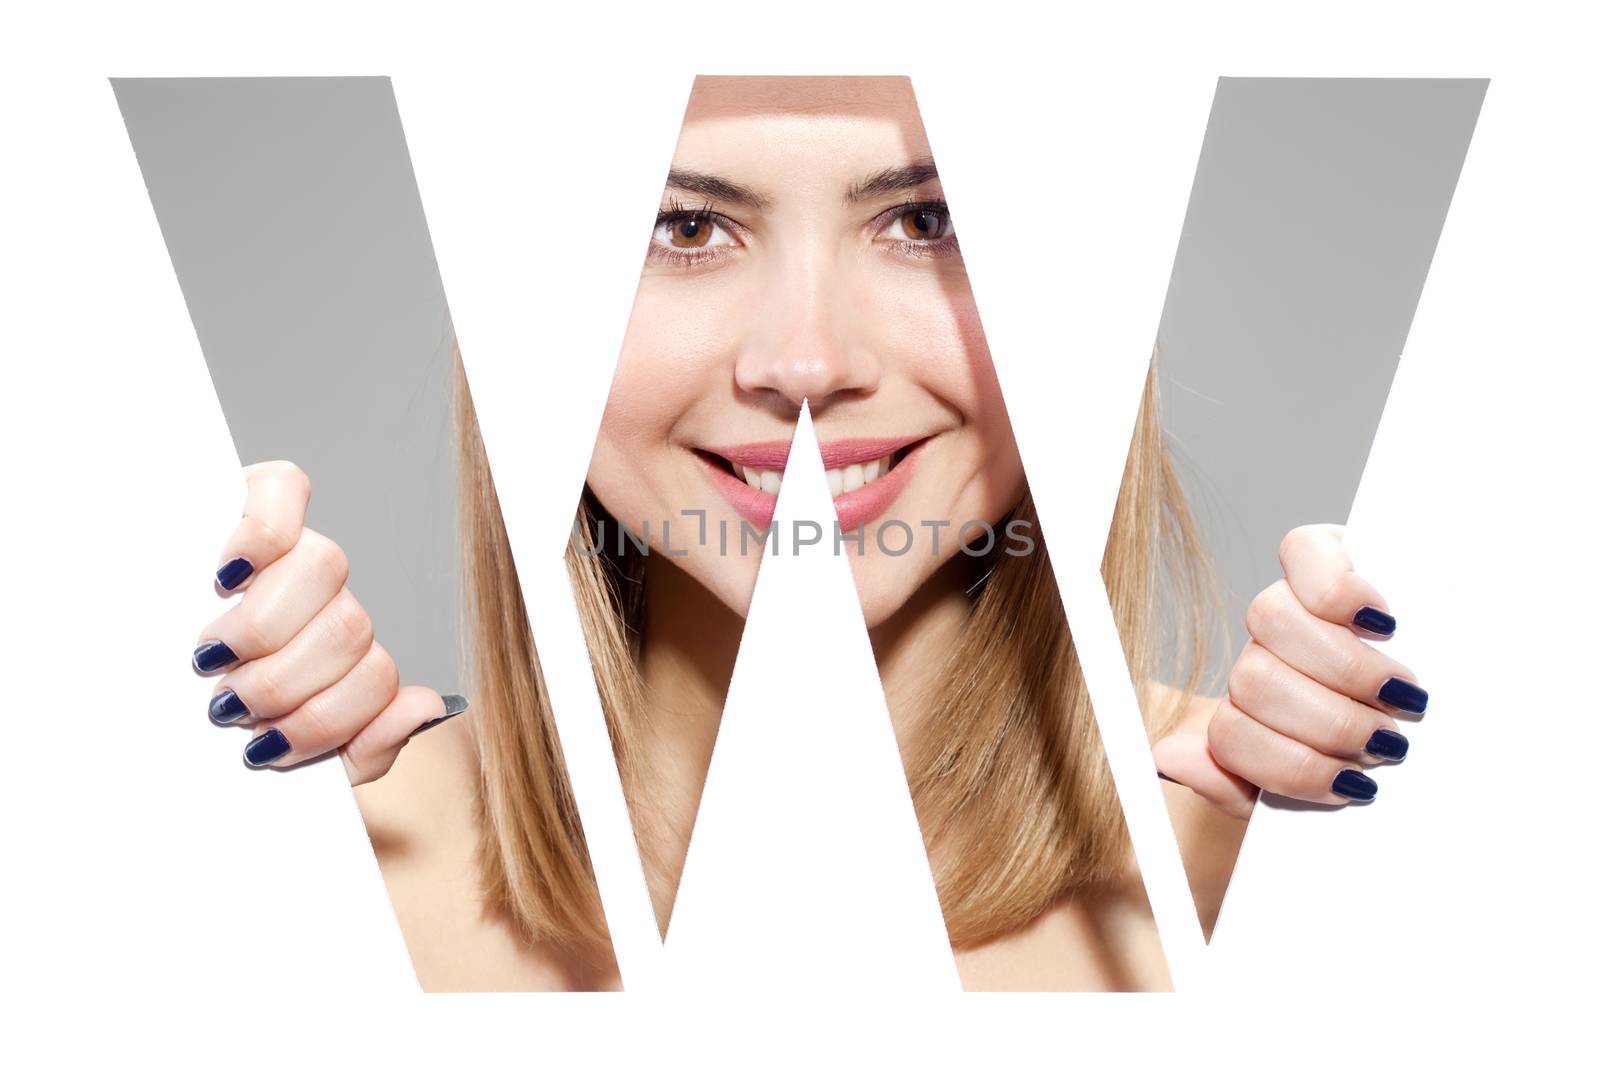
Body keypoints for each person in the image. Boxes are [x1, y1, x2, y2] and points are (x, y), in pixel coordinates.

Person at [190, 76, 1427, 991]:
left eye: (928, 219)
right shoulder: (327, 877)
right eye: (684, 227)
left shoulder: (1269, 877)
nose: (804, 361)